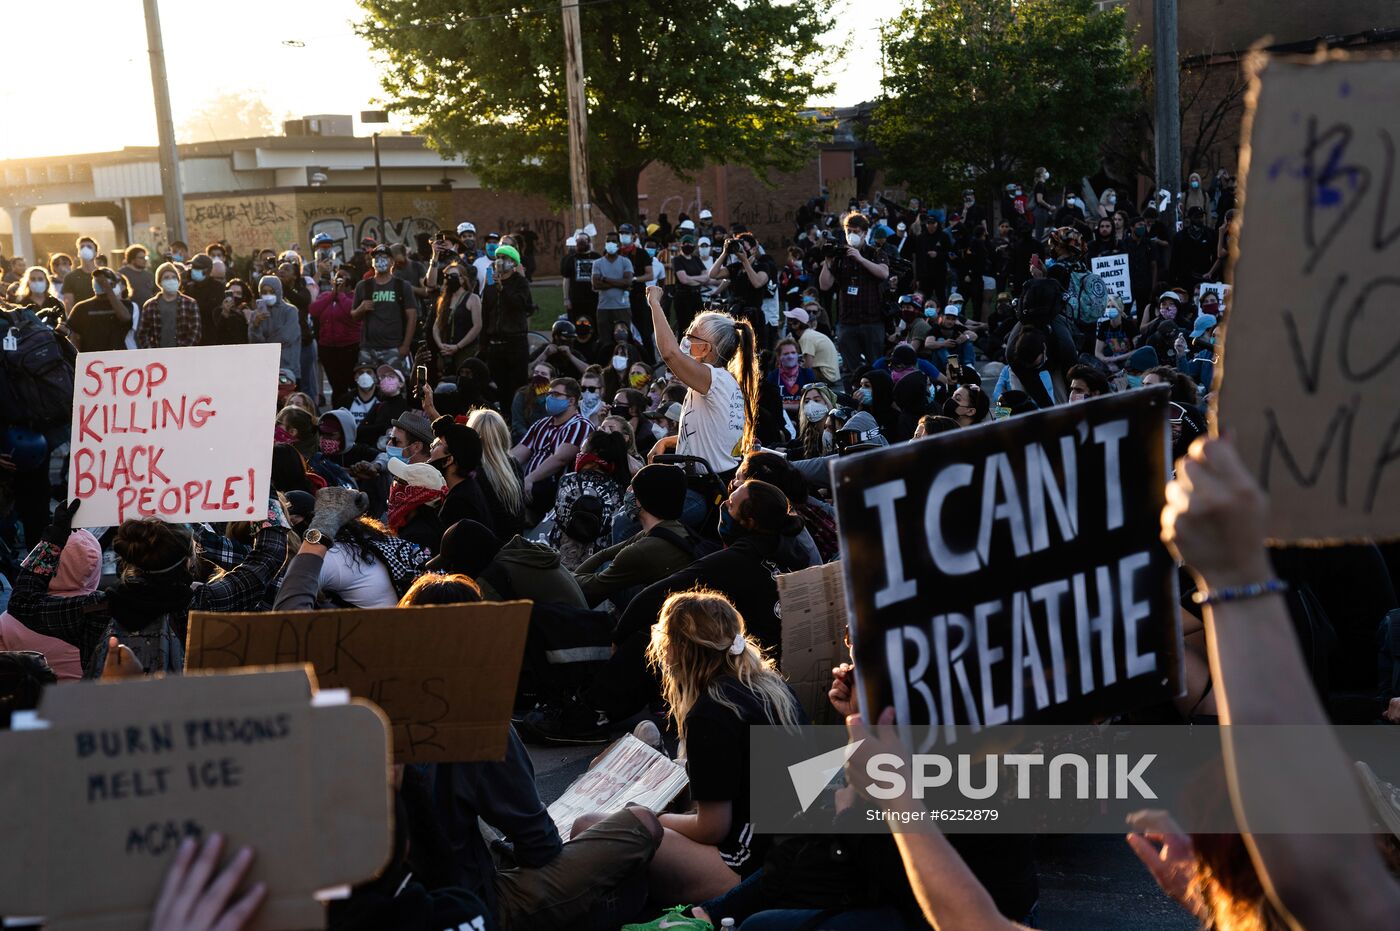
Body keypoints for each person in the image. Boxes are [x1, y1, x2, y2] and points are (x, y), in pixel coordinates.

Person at [638, 589, 804, 903]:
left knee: (604, 825)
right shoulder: (771, 685)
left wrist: (653, 817)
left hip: (746, 863)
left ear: (679, 648)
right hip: (786, 848)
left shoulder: (712, 712)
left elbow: (712, 828)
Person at [9, 500, 289, 676]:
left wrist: (55, 538)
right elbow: (266, 560)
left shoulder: (93, 610)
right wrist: (267, 504)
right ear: (190, 561)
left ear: (127, 559)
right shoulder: (206, 603)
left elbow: (22, 602)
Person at [648, 286, 757, 481]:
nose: (685, 340)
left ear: (706, 348)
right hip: (709, 480)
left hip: (706, 486)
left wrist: (655, 303)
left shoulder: (713, 378)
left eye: (691, 336)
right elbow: (710, 437)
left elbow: (669, 353)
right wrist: (669, 441)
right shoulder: (720, 380)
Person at [574, 463, 700, 608]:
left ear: (644, 501)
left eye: (633, 488)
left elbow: (592, 588)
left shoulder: (642, 550)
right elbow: (604, 554)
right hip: (671, 603)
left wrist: (565, 577)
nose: (628, 492)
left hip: (659, 616)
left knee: (606, 571)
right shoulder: (670, 529)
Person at [820, 211, 890, 382]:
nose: (852, 235)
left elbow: (883, 273)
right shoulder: (840, 255)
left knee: (875, 367)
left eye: (856, 231)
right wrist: (828, 261)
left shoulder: (875, 253)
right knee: (852, 370)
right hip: (847, 321)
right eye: (848, 231)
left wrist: (860, 259)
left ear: (865, 233)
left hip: (872, 320)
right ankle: (854, 400)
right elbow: (824, 285)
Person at [511, 376, 593, 510]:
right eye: (549, 394)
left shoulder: (580, 425)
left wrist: (530, 479)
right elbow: (519, 453)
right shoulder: (541, 424)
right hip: (528, 484)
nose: (549, 398)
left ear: (571, 400)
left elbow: (560, 459)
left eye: (556, 394)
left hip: (553, 489)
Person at [479, 243, 533, 401]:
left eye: (504, 258)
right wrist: (483, 344)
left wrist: (502, 289)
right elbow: (485, 313)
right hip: (495, 345)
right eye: (498, 257)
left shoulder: (520, 282)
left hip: (515, 343)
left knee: (517, 387)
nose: (500, 261)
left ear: (513, 262)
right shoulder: (490, 283)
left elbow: (522, 305)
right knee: (498, 387)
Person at [351, 244, 417, 370]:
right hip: (368, 349)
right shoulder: (363, 286)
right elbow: (354, 316)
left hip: (393, 347)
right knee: (366, 385)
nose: (380, 259)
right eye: (377, 257)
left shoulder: (402, 286)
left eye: (384, 256)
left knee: (392, 387)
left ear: (392, 262)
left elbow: (412, 317)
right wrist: (361, 308)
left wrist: (405, 346)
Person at [429, 414, 495, 534]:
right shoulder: (467, 488)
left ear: (449, 460)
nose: (431, 450)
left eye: (437, 445)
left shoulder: (457, 504)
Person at [468, 408, 528, 539]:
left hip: (488, 552)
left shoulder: (470, 472)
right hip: (514, 548)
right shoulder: (513, 465)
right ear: (503, 435)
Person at [310, 267, 361, 404]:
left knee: (351, 382)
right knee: (337, 385)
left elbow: (351, 312)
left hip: (349, 348)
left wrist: (340, 295)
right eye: (337, 277)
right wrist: (333, 295)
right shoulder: (326, 296)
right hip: (328, 348)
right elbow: (314, 310)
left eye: (343, 278)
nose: (339, 280)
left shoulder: (355, 297)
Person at [65, 267, 133, 352]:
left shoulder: (125, 304)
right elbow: (74, 336)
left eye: (103, 281)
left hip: (117, 357)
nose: (100, 283)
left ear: (113, 284)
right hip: (91, 358)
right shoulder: (81, 307)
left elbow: (125, 318)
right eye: (97, 281)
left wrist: (108, 289)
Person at [385, 458, 445, 553]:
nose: (394, 488)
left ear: (414, 495)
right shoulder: (423, 525)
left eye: (399, 483)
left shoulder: (417, 536)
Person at [432, 260, 481, 375]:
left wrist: (458, 346)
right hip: (446, 352)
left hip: (466, 352)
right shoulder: (443, 300)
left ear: (462, 279)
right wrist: (441, 345)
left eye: (453, 276)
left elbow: (477, 326)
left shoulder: (473, 299)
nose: (449, 279)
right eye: (446, 276)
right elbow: (436, 326)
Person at [137, 262, 201, 348]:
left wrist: (183, 350)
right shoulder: (149, 306)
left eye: (174, 277)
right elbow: (143, 334)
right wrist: (152, 351)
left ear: (178, 281)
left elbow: (195, 332)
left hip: (183, 355)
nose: (171, 280)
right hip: (157, 356)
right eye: (166, 278)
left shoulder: (190, 303)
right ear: (159, 283)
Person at [247, 275, 302, 374]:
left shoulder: (290, 311)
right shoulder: (256, 314)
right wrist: (255, 325)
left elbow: (287, 337)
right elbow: (254, 342)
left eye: (271, 292)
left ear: (278, 291)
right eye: (264, 292)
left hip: (287, 365)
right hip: (264, 366)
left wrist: (266, 344)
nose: (268, 295)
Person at [591, 231, 635, 335]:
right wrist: (621, 283)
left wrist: (605, 279)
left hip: (622, 307)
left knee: (624, 339)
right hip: (604, 308)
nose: (610, 243)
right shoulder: (597, 263)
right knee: (605, 340)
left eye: (614, 241)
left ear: (619, 244)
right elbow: (596, 285)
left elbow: (628, 282)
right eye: (608, 241)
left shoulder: (625, 262)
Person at [783, 306, 839, 384]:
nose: (788, 323)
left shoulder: (806, 337)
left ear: (797, 324)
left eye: (790, 321)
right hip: (830, 375)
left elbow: (808, 366)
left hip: (826, 377)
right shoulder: (809, 334)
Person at [765, 336, 817, 417]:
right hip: (781, 421)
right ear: (779, 357)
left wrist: (784, 406)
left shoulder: (807, 374)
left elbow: (814, 404)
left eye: (793, 353)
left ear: (797, 355)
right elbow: (768, 405)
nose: (790, 356)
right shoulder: (773, 376)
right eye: (786, 354)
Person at [561, 228, 600, 326]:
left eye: (584, 240)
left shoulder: (597, 258)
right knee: (575, 325)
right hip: (575, 300)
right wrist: (566, 299)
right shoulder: (570, 259)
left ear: (589, 242)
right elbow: (566, 280)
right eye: (579, 241)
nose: (581, 243)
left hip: (594, 299)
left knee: (595, 324)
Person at [512, 360, 558, 441]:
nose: (538, 376)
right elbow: (517, 423)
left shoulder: (557, 396)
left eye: (543, 374)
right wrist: (530, 439)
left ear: (552, 379)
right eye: (536, 373)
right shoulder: (522, 394)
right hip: (524, 439)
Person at [61, 236, 100, 312]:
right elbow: (69, 305)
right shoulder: (70, 277)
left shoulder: (104, 274)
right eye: (82, 247)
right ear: (78, 253)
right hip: (81, 320)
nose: (85, 249)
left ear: (96, 253)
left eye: (89, 247)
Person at [118, 244, 157, 308]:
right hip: (131, 311)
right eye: (141, 258)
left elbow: (155, 293)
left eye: (145, 257)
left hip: (148, 311)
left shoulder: (149, 275)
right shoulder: (122, 274)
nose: (145, 260)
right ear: (132, 259)